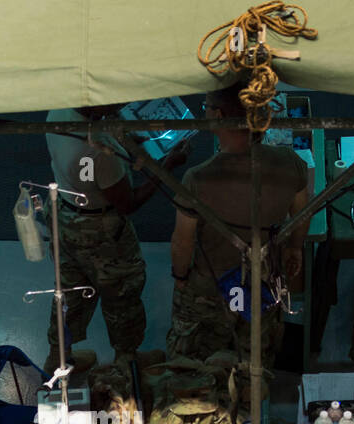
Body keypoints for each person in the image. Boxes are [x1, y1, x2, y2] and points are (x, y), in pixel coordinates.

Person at [168, 82, 310, 369]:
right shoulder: (290, 163)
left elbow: (183, 241)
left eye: (205, 108)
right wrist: (295, 248)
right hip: (263, 281)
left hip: (211, 287)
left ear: (219, 116)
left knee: (198, 368)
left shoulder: (199, 178)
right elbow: (301, 212)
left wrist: (181, 278)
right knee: (254, 367)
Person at [43, 104, 188, 374]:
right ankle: (126, 360)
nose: (122, 104)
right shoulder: (98, 153)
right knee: (122, 295)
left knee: (70, 290)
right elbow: (128, 203)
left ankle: (59, 356)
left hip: (66, 215)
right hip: (103, 231)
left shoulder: (58, 112)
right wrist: (165, 166)